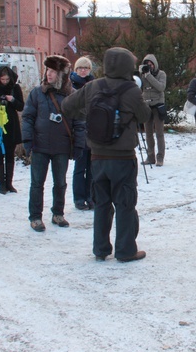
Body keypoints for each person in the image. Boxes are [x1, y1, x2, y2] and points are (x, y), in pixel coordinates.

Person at [61, 47, 151, 262]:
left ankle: (100, 249)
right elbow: (145, 116)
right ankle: (125, 250)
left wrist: (89, 114)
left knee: (101, 203)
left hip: (97, 157)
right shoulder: (131, 90)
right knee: (125, 204)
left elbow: (66, 106)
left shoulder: (92, 86)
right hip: (123, 158)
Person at [22, 55, 83, 232]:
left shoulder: (71, 96)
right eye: (47, 70)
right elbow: (27, 117)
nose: (49, 74)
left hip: (61, 147)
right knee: (37, 183)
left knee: (60, 183)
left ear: (62, 74)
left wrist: (79, 144)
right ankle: (35, 216)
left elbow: (79, 121)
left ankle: (58, 213)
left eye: (53, 71)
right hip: (40, 145)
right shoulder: (37, 93)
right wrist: (27, 139)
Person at [0, 66, 24, 194]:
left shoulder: (15, 88)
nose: (4, 81)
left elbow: (21, 106)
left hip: (11, 124)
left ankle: (9, 183)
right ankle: (1, 184)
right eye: (2, 79)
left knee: (10, 154)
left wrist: (12, 100)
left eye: (7, 79)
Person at [70, 56, 95, 209]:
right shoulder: (71, 86)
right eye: (80, 68)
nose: (83, 70)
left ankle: (91, 196)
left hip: (93, 131)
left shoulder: (95, 84)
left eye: (86, 68)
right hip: (79, 131)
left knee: (92, 167)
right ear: (76, 70)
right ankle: (79, 198)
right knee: (79, 167)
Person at [139, 54, 167, 166]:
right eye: (147, 65)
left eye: (151, 64)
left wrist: (149, 75)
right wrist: (140, 74)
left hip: (158, 105)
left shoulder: (161, 74)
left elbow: (161, 87)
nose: (149, 66)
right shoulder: (143, 74)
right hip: (146, 105)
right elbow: (138, 86)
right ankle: (150, 157)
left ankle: (160, 157)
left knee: (159, 133)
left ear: (155, 64)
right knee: (148, 133)